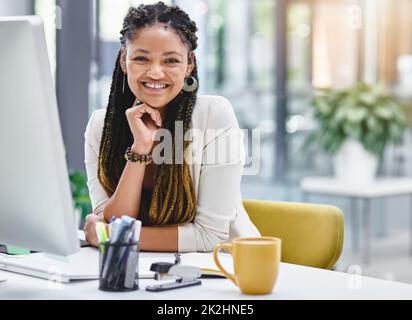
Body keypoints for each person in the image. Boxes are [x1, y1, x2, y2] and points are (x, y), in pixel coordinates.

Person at [83, 1, 260, 252]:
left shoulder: (214, 116)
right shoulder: (101, 127)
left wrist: (117, 236)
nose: (155, 72)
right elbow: (112, 222)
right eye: (142, 58)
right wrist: (140, 149)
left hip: (224, 273)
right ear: (124, 60)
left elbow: (210, 237)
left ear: (189, 64)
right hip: (145, 273)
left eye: (170, 61)